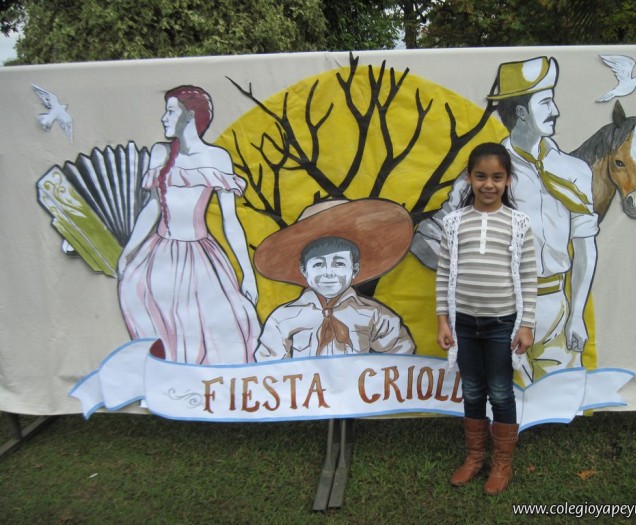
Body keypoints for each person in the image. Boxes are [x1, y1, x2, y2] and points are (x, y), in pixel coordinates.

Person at [118, 85, 260, 365]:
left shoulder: (217, 158)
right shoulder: (160, 153)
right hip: (159, 257)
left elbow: (231, 221)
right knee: (164, 324)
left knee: (217, 324)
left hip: (200, 258)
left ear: (190, 115)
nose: (164, 118)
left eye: (171, 111)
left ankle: (206, 383)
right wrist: (128, 251)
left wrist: (248, 273)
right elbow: (153, 207)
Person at [487, 56, 599, 384]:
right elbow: (444, 238)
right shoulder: (489, 172)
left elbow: (585, 248)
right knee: (505, 394)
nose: (556, 111)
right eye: (546, 102)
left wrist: (576, 314)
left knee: (560, 392)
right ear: (522, 111)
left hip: (554, 303)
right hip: (503, 305)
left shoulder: (574, 170)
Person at [436, 142, 537, 495]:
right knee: (473, 390)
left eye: (497, 177)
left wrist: (526, 324)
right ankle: (475, 456)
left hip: (501, 326)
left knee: (500, 391)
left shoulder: (518, 224)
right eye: (481, 176)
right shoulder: (454, 223)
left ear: (508, 180)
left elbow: (528, 276)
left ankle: (502, 463)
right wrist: (443, 319)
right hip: (463, 324)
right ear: (469, 178)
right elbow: (444, 273)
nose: (489, 184)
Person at [254, 199, 415, 360]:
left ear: (354, 270)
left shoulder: (374, 314)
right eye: (318, 264)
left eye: (339, 263)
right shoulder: (283, 318)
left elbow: (402, 355)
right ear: (303, 270)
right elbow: (268, 365)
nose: (329, 273)